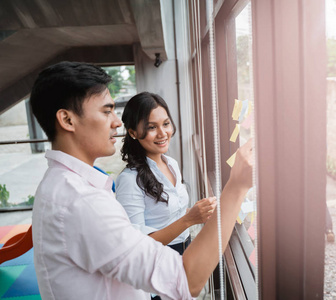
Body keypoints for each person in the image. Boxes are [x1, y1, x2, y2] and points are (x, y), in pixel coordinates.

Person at [30, 61, 253, 300]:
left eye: (166, 124)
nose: (117, 122)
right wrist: (237, 186)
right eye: (106, 111)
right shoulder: (82, 202)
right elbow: (186, 279)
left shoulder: (64, 187)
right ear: (67, 120)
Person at [116, 92, 216, 259]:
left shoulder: (171, 163)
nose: (162, 133)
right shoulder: (129, 179)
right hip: (158, 260)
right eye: (151, 127)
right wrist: (189, 220)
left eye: (166, 124)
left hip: (186, 250)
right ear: (133, 132)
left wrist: (201, 212)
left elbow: (171, 214)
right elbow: (136, 244)